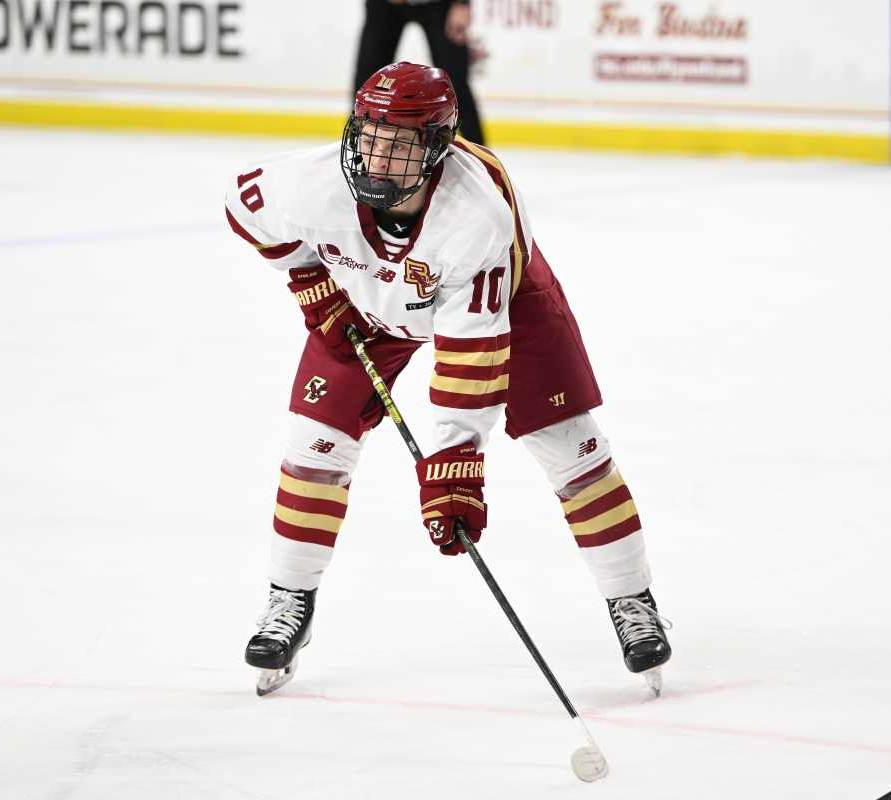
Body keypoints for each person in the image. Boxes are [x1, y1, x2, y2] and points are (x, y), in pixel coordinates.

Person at [225, 61, 670, 697]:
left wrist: (456, 460)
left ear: (436, 147)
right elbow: (243, 209)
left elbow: (469, 358)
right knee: (313, 447)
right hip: (364, 302)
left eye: (400, 142)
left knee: (574, 451)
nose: (378, 156)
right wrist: (308, 277)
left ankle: (633, 601)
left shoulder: (476, 218)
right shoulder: (311, 184)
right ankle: (289, 600)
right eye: (371, 135)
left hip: (506, 304)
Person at [353, 0, 485, 144]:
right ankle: (356, 145)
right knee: (367, 80)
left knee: (457, 83)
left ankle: (479, 156)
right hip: (387, 5)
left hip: (440, 5)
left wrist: (462, 3)